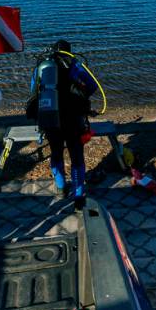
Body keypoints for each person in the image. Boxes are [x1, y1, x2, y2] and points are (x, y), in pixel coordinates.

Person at [27, 40, 99, 201]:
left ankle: (60, 188)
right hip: (74, 120)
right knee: (77, 156)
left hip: (51, 120)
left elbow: (33, 90)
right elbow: (93, 86)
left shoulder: (43, 67)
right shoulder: (75, 65)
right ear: (69, 52)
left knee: (56, 153)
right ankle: (78, 192)